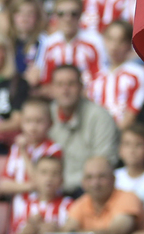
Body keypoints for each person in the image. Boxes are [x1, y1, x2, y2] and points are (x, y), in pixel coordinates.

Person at [47, 64, 119, 195]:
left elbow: (103, 163)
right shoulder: (45, 113)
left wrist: (62, 184)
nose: (65, 90)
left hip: (87, 189)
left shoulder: (100, 117)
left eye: (71, 84)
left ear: (81, 87)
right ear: (51, 89)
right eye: (59, 84)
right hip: (50, 188)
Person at [61, 155, 144, 234]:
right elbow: (67, 232)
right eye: (89, 177)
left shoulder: (128, 198)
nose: (95, 183)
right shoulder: (80, 203)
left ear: (113, 179)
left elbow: (116, 233)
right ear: (83, 182)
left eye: (101, 176)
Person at [0, 98, 61, 198]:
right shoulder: (16, 148)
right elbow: (4, 184)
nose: (33, 127)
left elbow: (42, 184)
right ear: (22, 123)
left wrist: (24, 153)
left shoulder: (53, 150)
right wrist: (30, 187)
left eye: (39, 121)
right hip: (18, 211)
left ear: (50, 123)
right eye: (28, 121)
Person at [10, 154, 73, 234]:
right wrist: (25, 233)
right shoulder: (23, 205)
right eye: (44, 172)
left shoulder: (69, 205)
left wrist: (58, 232)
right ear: (35, 177)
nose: (49, 178)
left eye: (55, 173)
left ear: (62, 180)